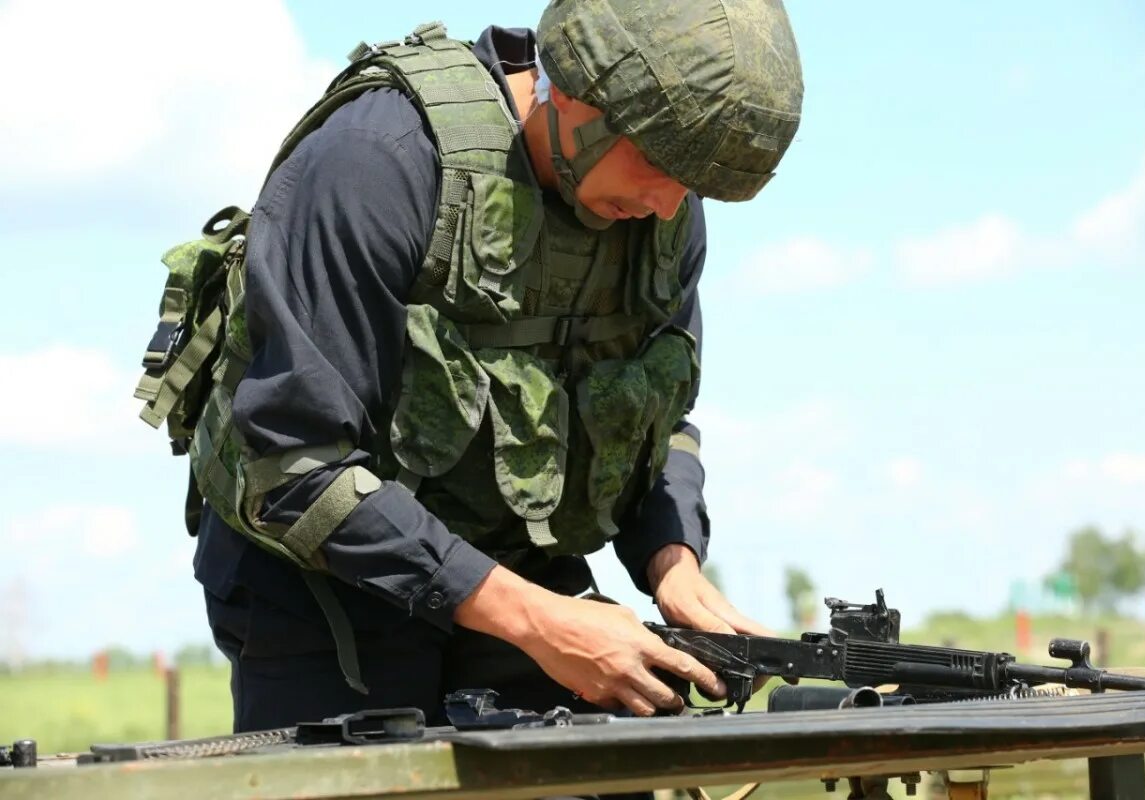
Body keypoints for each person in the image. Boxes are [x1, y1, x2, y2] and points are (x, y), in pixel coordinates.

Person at [186, 0, 804, 739]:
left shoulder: (657, 207)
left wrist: (674, 562)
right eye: (661, 165)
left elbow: (657, 421)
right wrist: (540, 622)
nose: (671, 202)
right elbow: (294, 464)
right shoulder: (377, 161)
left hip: (527, 575)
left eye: (693, 182)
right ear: (575, 94)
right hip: (327, 594)